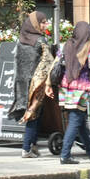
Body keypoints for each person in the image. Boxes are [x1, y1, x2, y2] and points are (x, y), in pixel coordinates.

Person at [10, 11, 54, 158]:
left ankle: (33, 145)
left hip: (21, 82)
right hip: (35, 83)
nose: (45, 25)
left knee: (34, 112)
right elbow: (49, 62)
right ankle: (26, 148)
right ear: (35, 24)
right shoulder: (41, 41)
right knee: (33, 113)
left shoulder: (21, 39)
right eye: (42, 22)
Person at [56, 20, 90, 164]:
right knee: (75, 121)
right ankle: (65, 155)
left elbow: (55, 65)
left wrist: (48, 86)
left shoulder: (66, 46)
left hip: (65, 88)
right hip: (81, 90)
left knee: (79, 121)